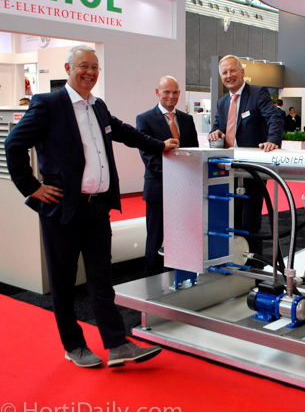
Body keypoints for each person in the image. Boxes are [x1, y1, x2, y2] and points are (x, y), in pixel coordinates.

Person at [5, 45, 179, 368]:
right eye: (83, 66)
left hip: (97, 210)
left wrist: (160, 146)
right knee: (64, 283)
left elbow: (125, 132)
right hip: (63, 210)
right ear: (68, 68)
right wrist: (32, 187)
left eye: (95, 67)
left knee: (102, 281)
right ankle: (73, 345)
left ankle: (117, 344)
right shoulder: (48, 104)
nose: (90, 72)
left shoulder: (97, 106)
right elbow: (13, 144)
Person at [207, 55, 284, 267]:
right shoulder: (222, 102)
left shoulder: (258, 93)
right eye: (224, 72)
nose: (229, 76)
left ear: (242, 72)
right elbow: (217, 127)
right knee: (229, 222)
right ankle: (233, 265)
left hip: (252, 171)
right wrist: (215, 133)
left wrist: (272, 140)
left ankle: (254, 271)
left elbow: (274, 118)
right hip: (228, 170)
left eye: (233, 70)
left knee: (250, 225)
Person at [136, 76, 199, 276]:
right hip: (159, 188)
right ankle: (152, 281)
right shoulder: (145, 119)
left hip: (185, 191)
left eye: (174, 92)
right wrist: (176, 179)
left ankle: (180, 276)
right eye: (166, 92)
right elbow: (149, 157)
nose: (171, 96)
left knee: (183, 235)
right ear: (158, 93)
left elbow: (194, 153)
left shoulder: (187, 119)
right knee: (155, 237)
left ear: (179, 93)